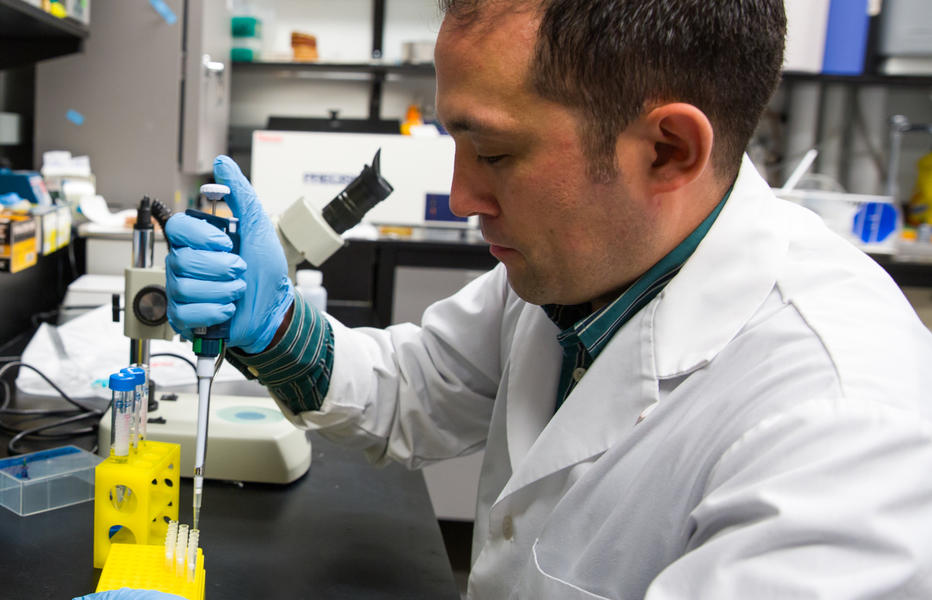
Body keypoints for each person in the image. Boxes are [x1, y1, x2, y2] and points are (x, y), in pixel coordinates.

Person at [84, 0, 932, 598]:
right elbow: (415, 389)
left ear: (668, 149)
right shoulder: (591, 268)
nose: (458, 197)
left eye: (492, 153)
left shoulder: (842, 431)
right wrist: (271, 329)